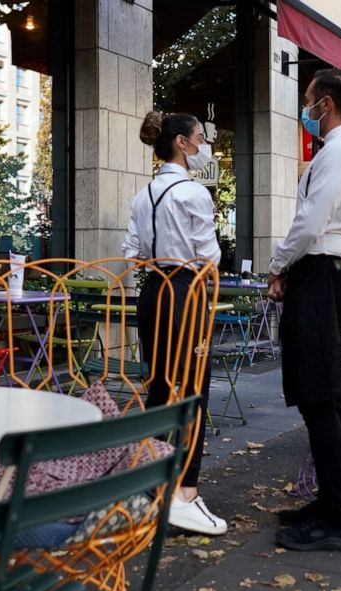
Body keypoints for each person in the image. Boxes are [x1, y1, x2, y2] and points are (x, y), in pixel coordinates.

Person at [268, 68, 341, 552]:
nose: (306, 111)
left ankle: (335, 517)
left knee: (319, 397)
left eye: (309, 102)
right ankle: (334, 501)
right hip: (333, 275)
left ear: (325, 104)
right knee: (327, 398)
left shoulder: (338, 153)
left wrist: (277, 265)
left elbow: (311, 223)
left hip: (321, 276)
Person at [122, 111, 227, 536]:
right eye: (200, 137)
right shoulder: (194, 193)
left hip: (153, 292)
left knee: (161, 386)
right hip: (186, 290)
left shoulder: (144, 193)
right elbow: (210, 256)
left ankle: (155, 486)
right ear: (182, 143)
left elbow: (130, 250)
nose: (203, 144)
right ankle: (184, 491)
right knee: (193, 389)